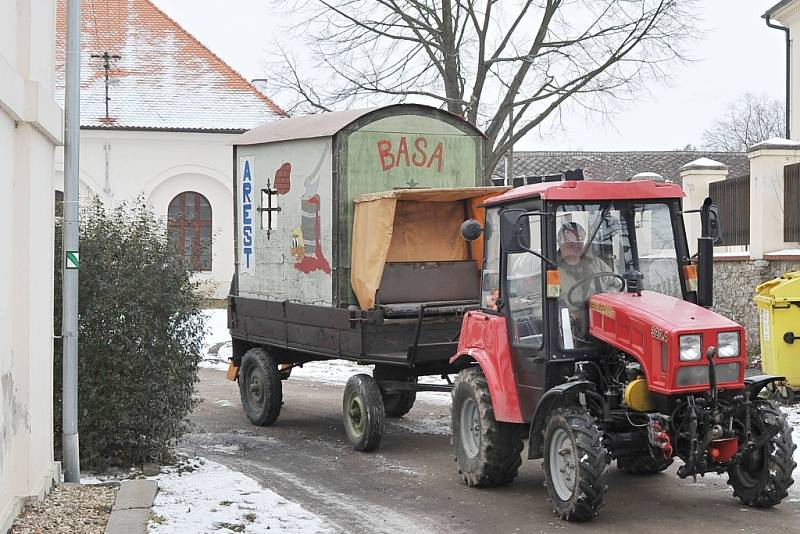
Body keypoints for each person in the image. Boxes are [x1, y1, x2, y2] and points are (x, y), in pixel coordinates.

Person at [556, 221, 610, 344]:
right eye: (570, 243)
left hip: (601, 323)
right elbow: (542, 306)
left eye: (579, 242)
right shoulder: (552, 270)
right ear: (561, 244)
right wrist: (566, 316)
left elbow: (618, 288)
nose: (575, 247)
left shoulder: (598, 265)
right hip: (567, 330)